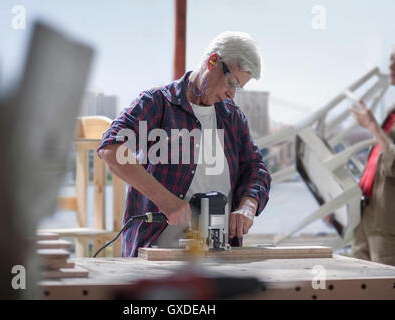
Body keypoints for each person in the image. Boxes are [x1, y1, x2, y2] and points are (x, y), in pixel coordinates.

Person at [97, 31, 271, 257]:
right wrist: (165, 201)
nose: (231, 94)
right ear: (213, 61)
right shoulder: (157, 103)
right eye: (231, 83)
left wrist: (248, 206)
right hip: (157, 255)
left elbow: (256, 169)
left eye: (238, 88)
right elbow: (111, 149)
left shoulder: (233, 117)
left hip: (218, 258)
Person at [351, 47, 395, 266]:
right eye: (390, 60)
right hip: (368, 215)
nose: (391, 67)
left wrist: (372, 127)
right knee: (359, 284)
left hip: (388, 227)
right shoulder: (392, 111)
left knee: (385, 287)